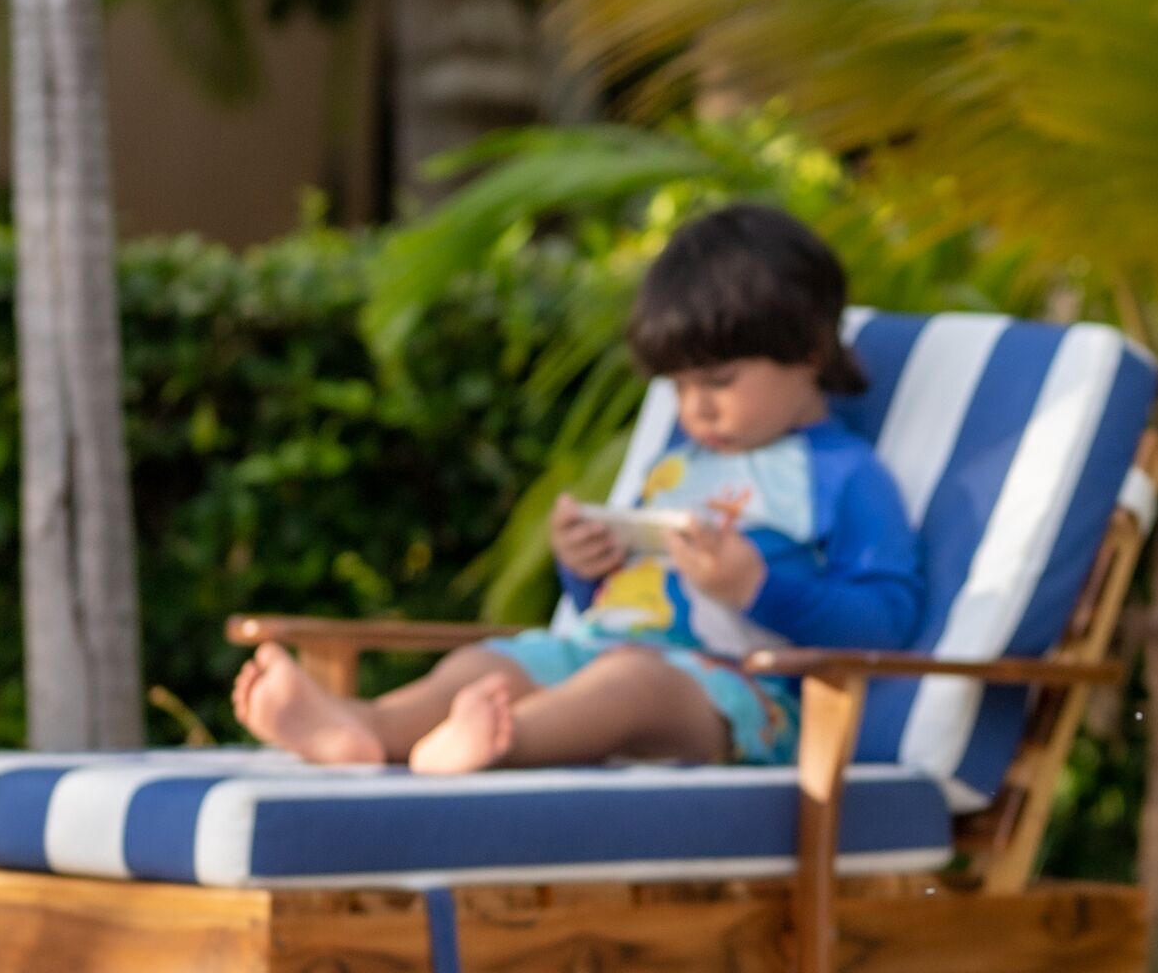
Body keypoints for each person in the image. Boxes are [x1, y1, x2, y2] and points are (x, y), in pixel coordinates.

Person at [236, 203, 925, 776]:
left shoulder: (845, 475)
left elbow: (888, 621)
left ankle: (503, 743)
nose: (696, 409)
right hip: (601, 652)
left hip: (740, 693)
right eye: (680, 387)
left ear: (809, 352)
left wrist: (758, 589)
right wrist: (587, 568)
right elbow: (627, 601)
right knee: (487, 663)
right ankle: (365, 728)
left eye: (719, 382)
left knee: (631, 685)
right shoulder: (681, 464)